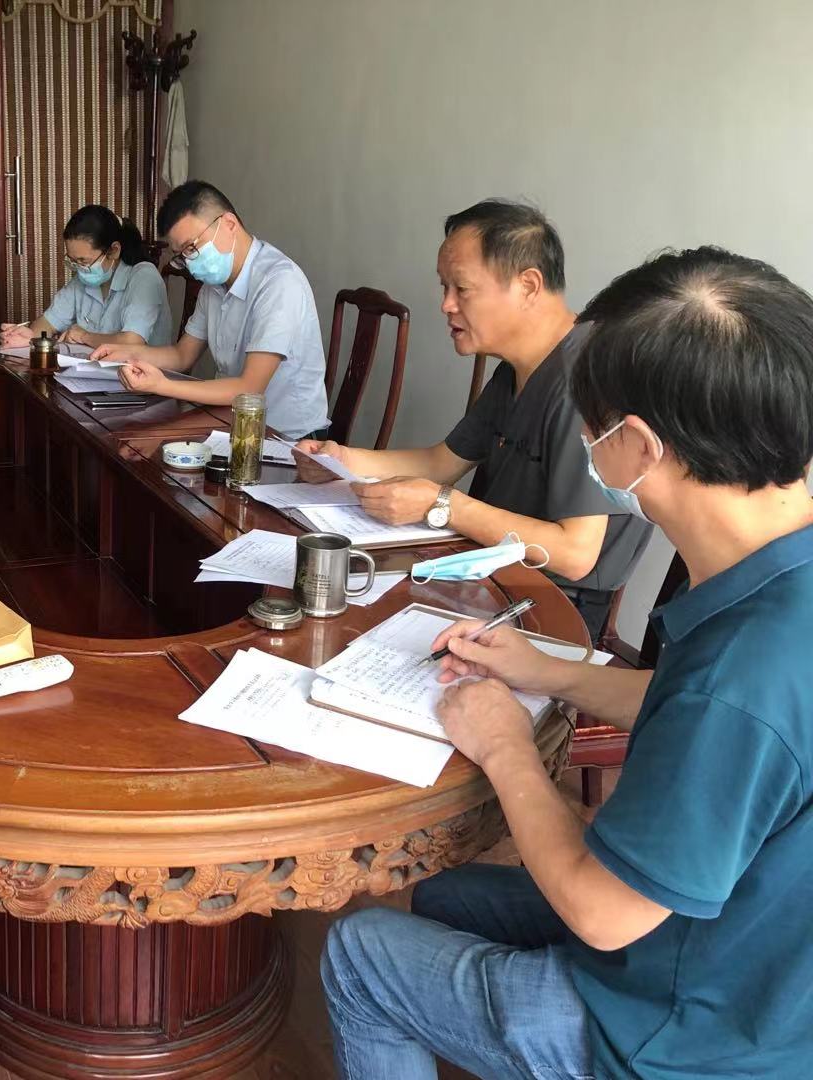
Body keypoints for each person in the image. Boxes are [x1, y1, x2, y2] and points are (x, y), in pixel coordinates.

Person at [321, 246, 813, 1080]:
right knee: (445, 895)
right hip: (752, 952)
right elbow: (700, 714)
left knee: (359, 952)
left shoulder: (746, 673)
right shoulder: (772, 577)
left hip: (687, 1033)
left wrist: (506, 744)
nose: (585, 446)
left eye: (592, 429)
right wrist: (546, 672)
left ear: (639, 447)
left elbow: (603, 914)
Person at [298, 199, 651, 638]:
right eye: (444, 287)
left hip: (552, 607)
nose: (446, 305)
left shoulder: (587, 381)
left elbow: (575, 554)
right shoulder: (517, 369)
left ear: (528, 285)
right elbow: (442, 462)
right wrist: (341, 459)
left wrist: (442, 505)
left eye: (461, 289)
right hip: (488, 575)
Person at [89, 180, 328, 440]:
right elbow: (182, 355)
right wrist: (127, 354)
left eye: (192, 248)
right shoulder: (214, 286)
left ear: (229, 224)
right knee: (133, 438)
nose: (190, 264)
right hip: (229, 422)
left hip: (287, 438)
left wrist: (162, 385)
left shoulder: (279, 282)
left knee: (149, 442)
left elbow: (249, 389)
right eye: (182, 255)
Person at [0, 205, 174, 349]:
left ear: (113, 250)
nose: (79, 268)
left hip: (143, 377)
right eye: (73, 261)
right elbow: (49, 321)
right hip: (96, 373)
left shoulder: (144, 276)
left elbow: (131, 341)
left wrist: (84, 336)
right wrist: (30, 336)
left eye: (84, 261)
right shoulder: (82, 279)